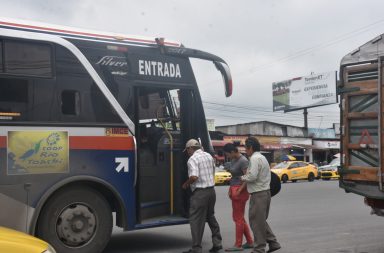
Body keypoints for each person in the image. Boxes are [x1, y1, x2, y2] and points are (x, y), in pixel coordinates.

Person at [182, 139, 223, 253]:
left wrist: (186, 184)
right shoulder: (209, 156)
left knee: (195, 220)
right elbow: (213, 171)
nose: (187, 152)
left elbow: (194, 176)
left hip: (200, 193)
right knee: (210, 217)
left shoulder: (193, 159)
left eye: (187, 150)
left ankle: (196, 248)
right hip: (211, 191)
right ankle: (217, 243)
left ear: (191, 148)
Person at [241, 137, 281, 253]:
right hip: (265, 193)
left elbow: (252, 176)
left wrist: (242, 177)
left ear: (251, 148)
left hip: (258, 194)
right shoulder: (262, 157)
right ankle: (273, 242)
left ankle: (259, 248)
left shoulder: (254, 158)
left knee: (256, 222)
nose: (245, 151)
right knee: (260, 220)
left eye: (246, 148)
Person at [223, 143, 254, 252]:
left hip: (240, 191)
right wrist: (230, 189)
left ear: (232, 152)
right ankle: (250, 242)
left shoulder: (243, 161)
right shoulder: (234, 160)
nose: (227, 157)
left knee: (238, 218)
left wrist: (239, 190)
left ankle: (238, 244)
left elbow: (247, 178)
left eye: (227, 154)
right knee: (239, 217)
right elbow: (235, 176)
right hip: (235, 188)